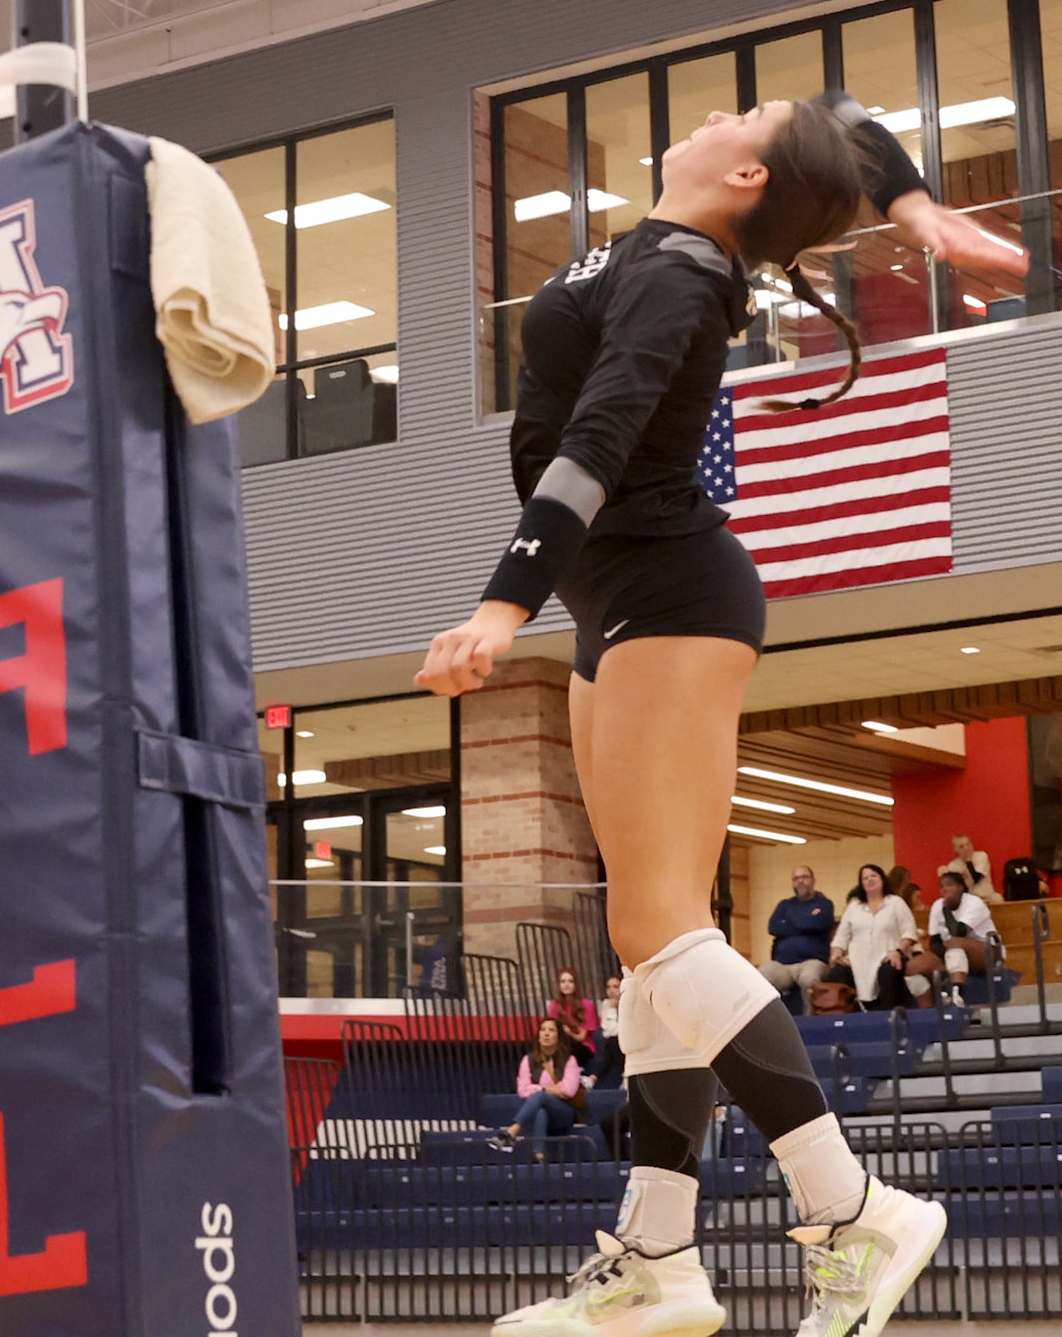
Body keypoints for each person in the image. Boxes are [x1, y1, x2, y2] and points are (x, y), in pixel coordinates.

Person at [416, 87, 1024, 1337]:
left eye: (739, 113)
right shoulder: (682, 234)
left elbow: (598, 431)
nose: (710, 109)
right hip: (618, 605)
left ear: (745, 177)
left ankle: (849, 1203)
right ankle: (659, 1258)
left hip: (665, 590)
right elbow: (845, 126)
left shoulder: (687, 270)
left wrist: (498, 604)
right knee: (649, 949)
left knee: (656, 925)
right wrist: (916, 209)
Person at [832, 865, 919, 1012]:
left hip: (890, 955)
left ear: (882, 879)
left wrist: (898, 951)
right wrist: (837, 953)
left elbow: (909, 932)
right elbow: (841, 936)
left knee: (888, 971)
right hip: (857, 959)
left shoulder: (896, 903)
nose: (869, 880)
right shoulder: (854, 906)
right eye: (865, 878)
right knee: (838, 972)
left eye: (873, 876)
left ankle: (887, 1017)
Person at [495, 1018, 585, 1154]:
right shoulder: (528, 1060)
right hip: (539, 1110)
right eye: (543, 1030)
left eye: (551, 1030)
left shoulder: (569, 1060)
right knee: (540, 1109)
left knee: (540, 1097)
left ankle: (513, 1130)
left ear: (558, 1036)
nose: (546, 1033)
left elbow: (568, 1091)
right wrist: (547, 1089)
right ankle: (539, 1154)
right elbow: (523, 1090)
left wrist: (539, 1090)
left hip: (564, 1112)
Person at [760, 863, 838, 1006]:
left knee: (809, 979)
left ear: (813, 880)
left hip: (812, 962)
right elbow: (773, 927)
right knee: (761, 976)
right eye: (796, 878)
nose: (800, 881)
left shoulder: (824, 904)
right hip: (783, 965)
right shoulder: (784, 905)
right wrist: (806, 920)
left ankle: (812, 1023)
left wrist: (789, 922)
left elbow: (816, 923)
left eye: (804, 877)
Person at [927, 869, 999, 988]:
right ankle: (928, 1005)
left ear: (961, 887)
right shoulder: (936, 905)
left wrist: (946, 910)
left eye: (950, 885)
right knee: (916, 965)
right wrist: (947, 955)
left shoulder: (974, 902)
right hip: (952, 952)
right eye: (941, 886)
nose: (945, 889)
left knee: (955, 943)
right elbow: (934, 942)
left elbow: (958, 932)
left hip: (986, 949)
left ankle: (957, 990)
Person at [546, 967, 599, 1070]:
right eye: (563, 981)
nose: (566, 984)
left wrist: (569, 1032)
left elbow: (582, 1037)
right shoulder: (554, 1005)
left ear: (576, 985)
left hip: (582, 1047)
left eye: (570, 981)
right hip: (561, 1045)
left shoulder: (586, 1004)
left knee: (566, 1042)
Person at [594, 973, 625, 1090]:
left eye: (615, 987)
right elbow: (607, 1029)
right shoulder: (606, 1004)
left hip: (626, 1041)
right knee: (611, 1042)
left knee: (613, 1042)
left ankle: (594, 1077)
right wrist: (612, 1008)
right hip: (613, 1042)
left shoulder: (628, 1003)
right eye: (608, 987)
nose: (611, 990)